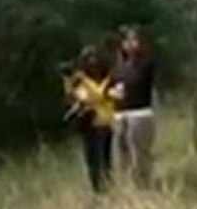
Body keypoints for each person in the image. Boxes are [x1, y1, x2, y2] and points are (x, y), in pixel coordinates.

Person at [64, 45, 116, 194]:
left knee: (106, 159)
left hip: (106, 122)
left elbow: (107, 96)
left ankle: (108, 187)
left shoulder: (106, 77)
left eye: (94, 57)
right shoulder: (79, 80)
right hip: (90, 124)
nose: (92, 61)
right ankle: (98, 189)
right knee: (94, 160)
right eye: (88, 58)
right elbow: (76, 98)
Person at [110, 26, 157, 189]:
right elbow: (112, 84)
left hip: (140, 112)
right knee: (122, 151)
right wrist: (113, 92)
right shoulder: (118, 65)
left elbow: (141, 81)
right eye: (126, 41)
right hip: (120, 113)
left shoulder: (146, 62)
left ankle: (144, 185)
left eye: (133, 40)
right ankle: (128, 186)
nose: (130, 44)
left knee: (140, 152)